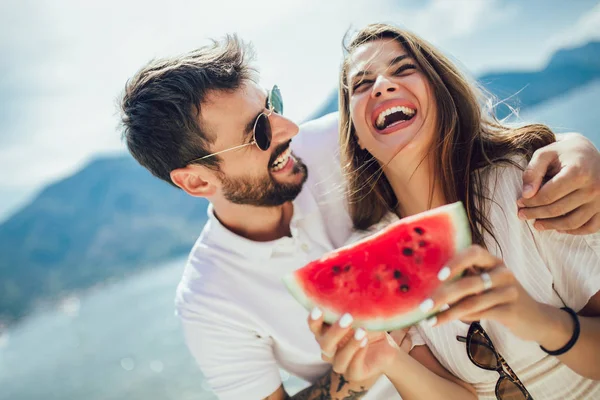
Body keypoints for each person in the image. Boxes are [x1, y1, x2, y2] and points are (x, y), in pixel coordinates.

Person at [119, 35, 600, 399]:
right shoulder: (209, 302)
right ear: (198, 183)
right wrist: (353, 375)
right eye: (259, 129)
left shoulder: (342, 139)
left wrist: (576, 149)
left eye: (274, 104)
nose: (290, 128)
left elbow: (465, 134)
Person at [308, 23, 600, 400]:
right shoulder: (373, 255)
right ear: (357, 137)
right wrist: (390, 361)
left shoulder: (524, 182)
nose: (381, 85)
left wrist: (537, 319)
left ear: (440, 94)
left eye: (402, 69)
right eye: (362, 85)